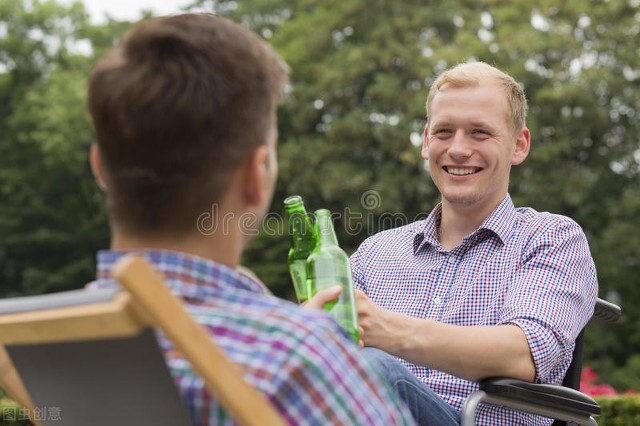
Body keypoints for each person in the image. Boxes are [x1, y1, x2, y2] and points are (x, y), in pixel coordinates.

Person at [84, 13, 414, 425]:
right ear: (256, 177)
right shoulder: (299, 362)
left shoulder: (61, 339)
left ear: (99, 167)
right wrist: (295, 336)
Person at [351, 61, 598, 425]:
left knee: (373, 369)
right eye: (444, 132)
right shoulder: (374, 254)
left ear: (519, 145)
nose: (458, 149)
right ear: (426, 141)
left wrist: (389, 332)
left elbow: (525, 354)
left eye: (480, 133)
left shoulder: (552, 238)